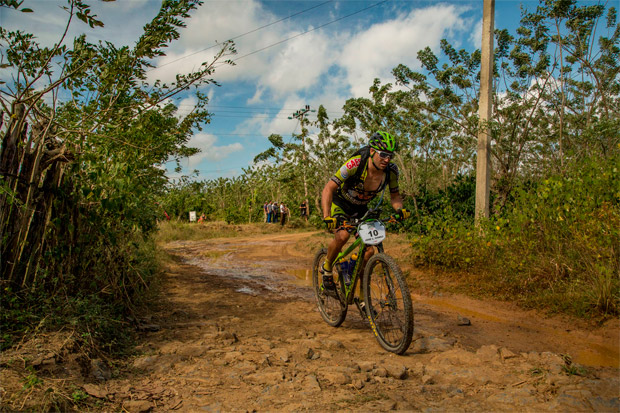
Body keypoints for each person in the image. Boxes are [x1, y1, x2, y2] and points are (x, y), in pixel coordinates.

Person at [320, 131, 410, 294]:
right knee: (342, 236)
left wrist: (399, 210)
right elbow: (328, 188)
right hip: (340, 204)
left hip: (361, 209)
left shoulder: (391, 171)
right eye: (383, 155)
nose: (387, 159)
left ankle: (355, 280)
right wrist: (327, 216)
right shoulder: (355, 164)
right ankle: (326, 269)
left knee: (369, 250)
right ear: (371, 151)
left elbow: (395, 196)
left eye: (390, 155)